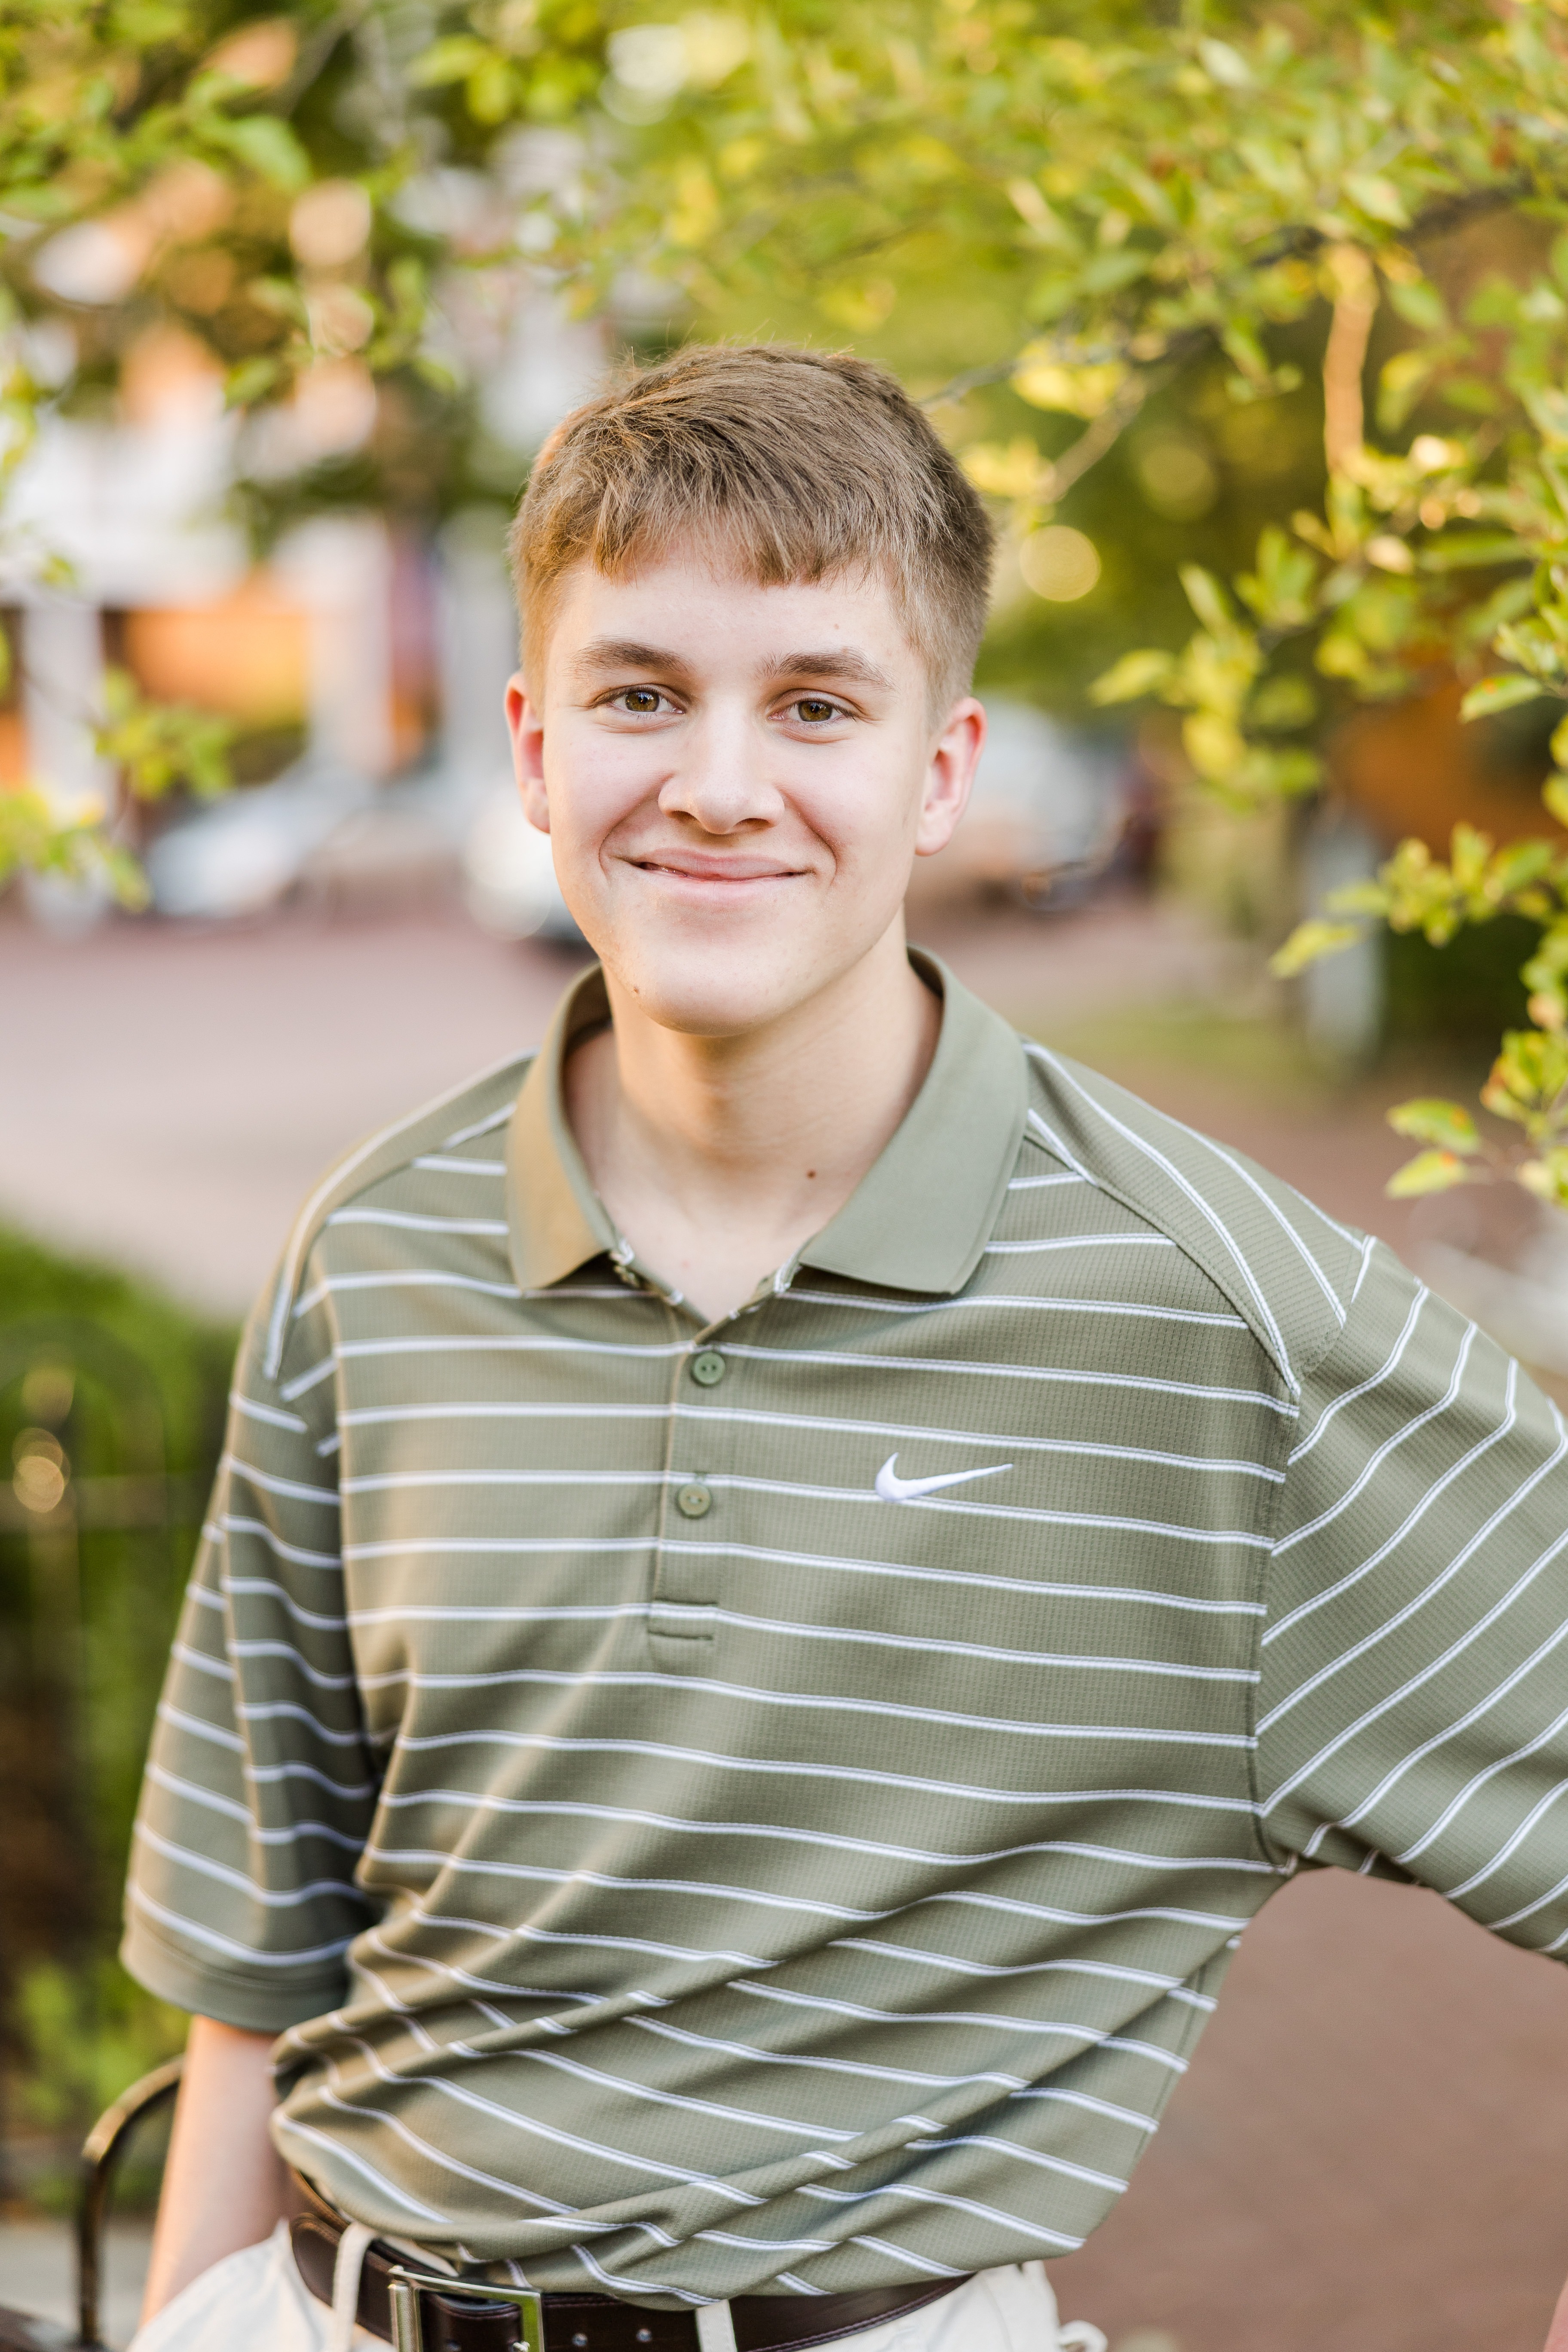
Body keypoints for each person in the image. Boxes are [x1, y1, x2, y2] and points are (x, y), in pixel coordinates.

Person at [124, 344, 1568, 2352]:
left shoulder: (1218, 1328)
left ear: (944, 769)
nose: (718, 782)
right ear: (536, 751)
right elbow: (254, 1936)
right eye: (643, 695)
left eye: (815, 703)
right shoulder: (374, 1247)